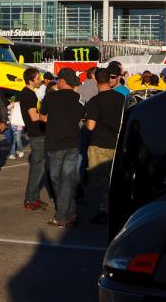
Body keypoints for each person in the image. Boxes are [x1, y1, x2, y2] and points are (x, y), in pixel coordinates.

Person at [39, 68, 85, 227]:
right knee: (65, 180)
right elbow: (82, 116)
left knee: (57, 179)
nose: (57, 82)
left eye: (59, 80)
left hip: (55, 143)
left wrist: (55, 120)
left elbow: (42, 117)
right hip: (73, 143)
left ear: (62, 81)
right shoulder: (79, 98)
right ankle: (71, 212)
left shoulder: (50, 97)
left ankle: (61, 216)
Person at [83, 67, 125, 225]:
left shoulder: (95, 101)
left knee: (103, 182)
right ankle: (114, 208)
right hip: (117, 143)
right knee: (115, 179)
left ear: (95, 80)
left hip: (100, 144)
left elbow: (91, 126)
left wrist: (86, 122)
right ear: (110, 79)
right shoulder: (121, 98)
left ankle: (107, 211)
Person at [20, 67, 51, 210]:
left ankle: (32, 198)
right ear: (31, 80)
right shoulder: (29, 95)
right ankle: (31, 200)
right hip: (37, 135)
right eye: (38, 78)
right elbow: (34, 116)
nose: (40, 80)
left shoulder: (27, 93)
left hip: (36, 134)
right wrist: (48, 117)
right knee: (37, 169)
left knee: (38, 168)